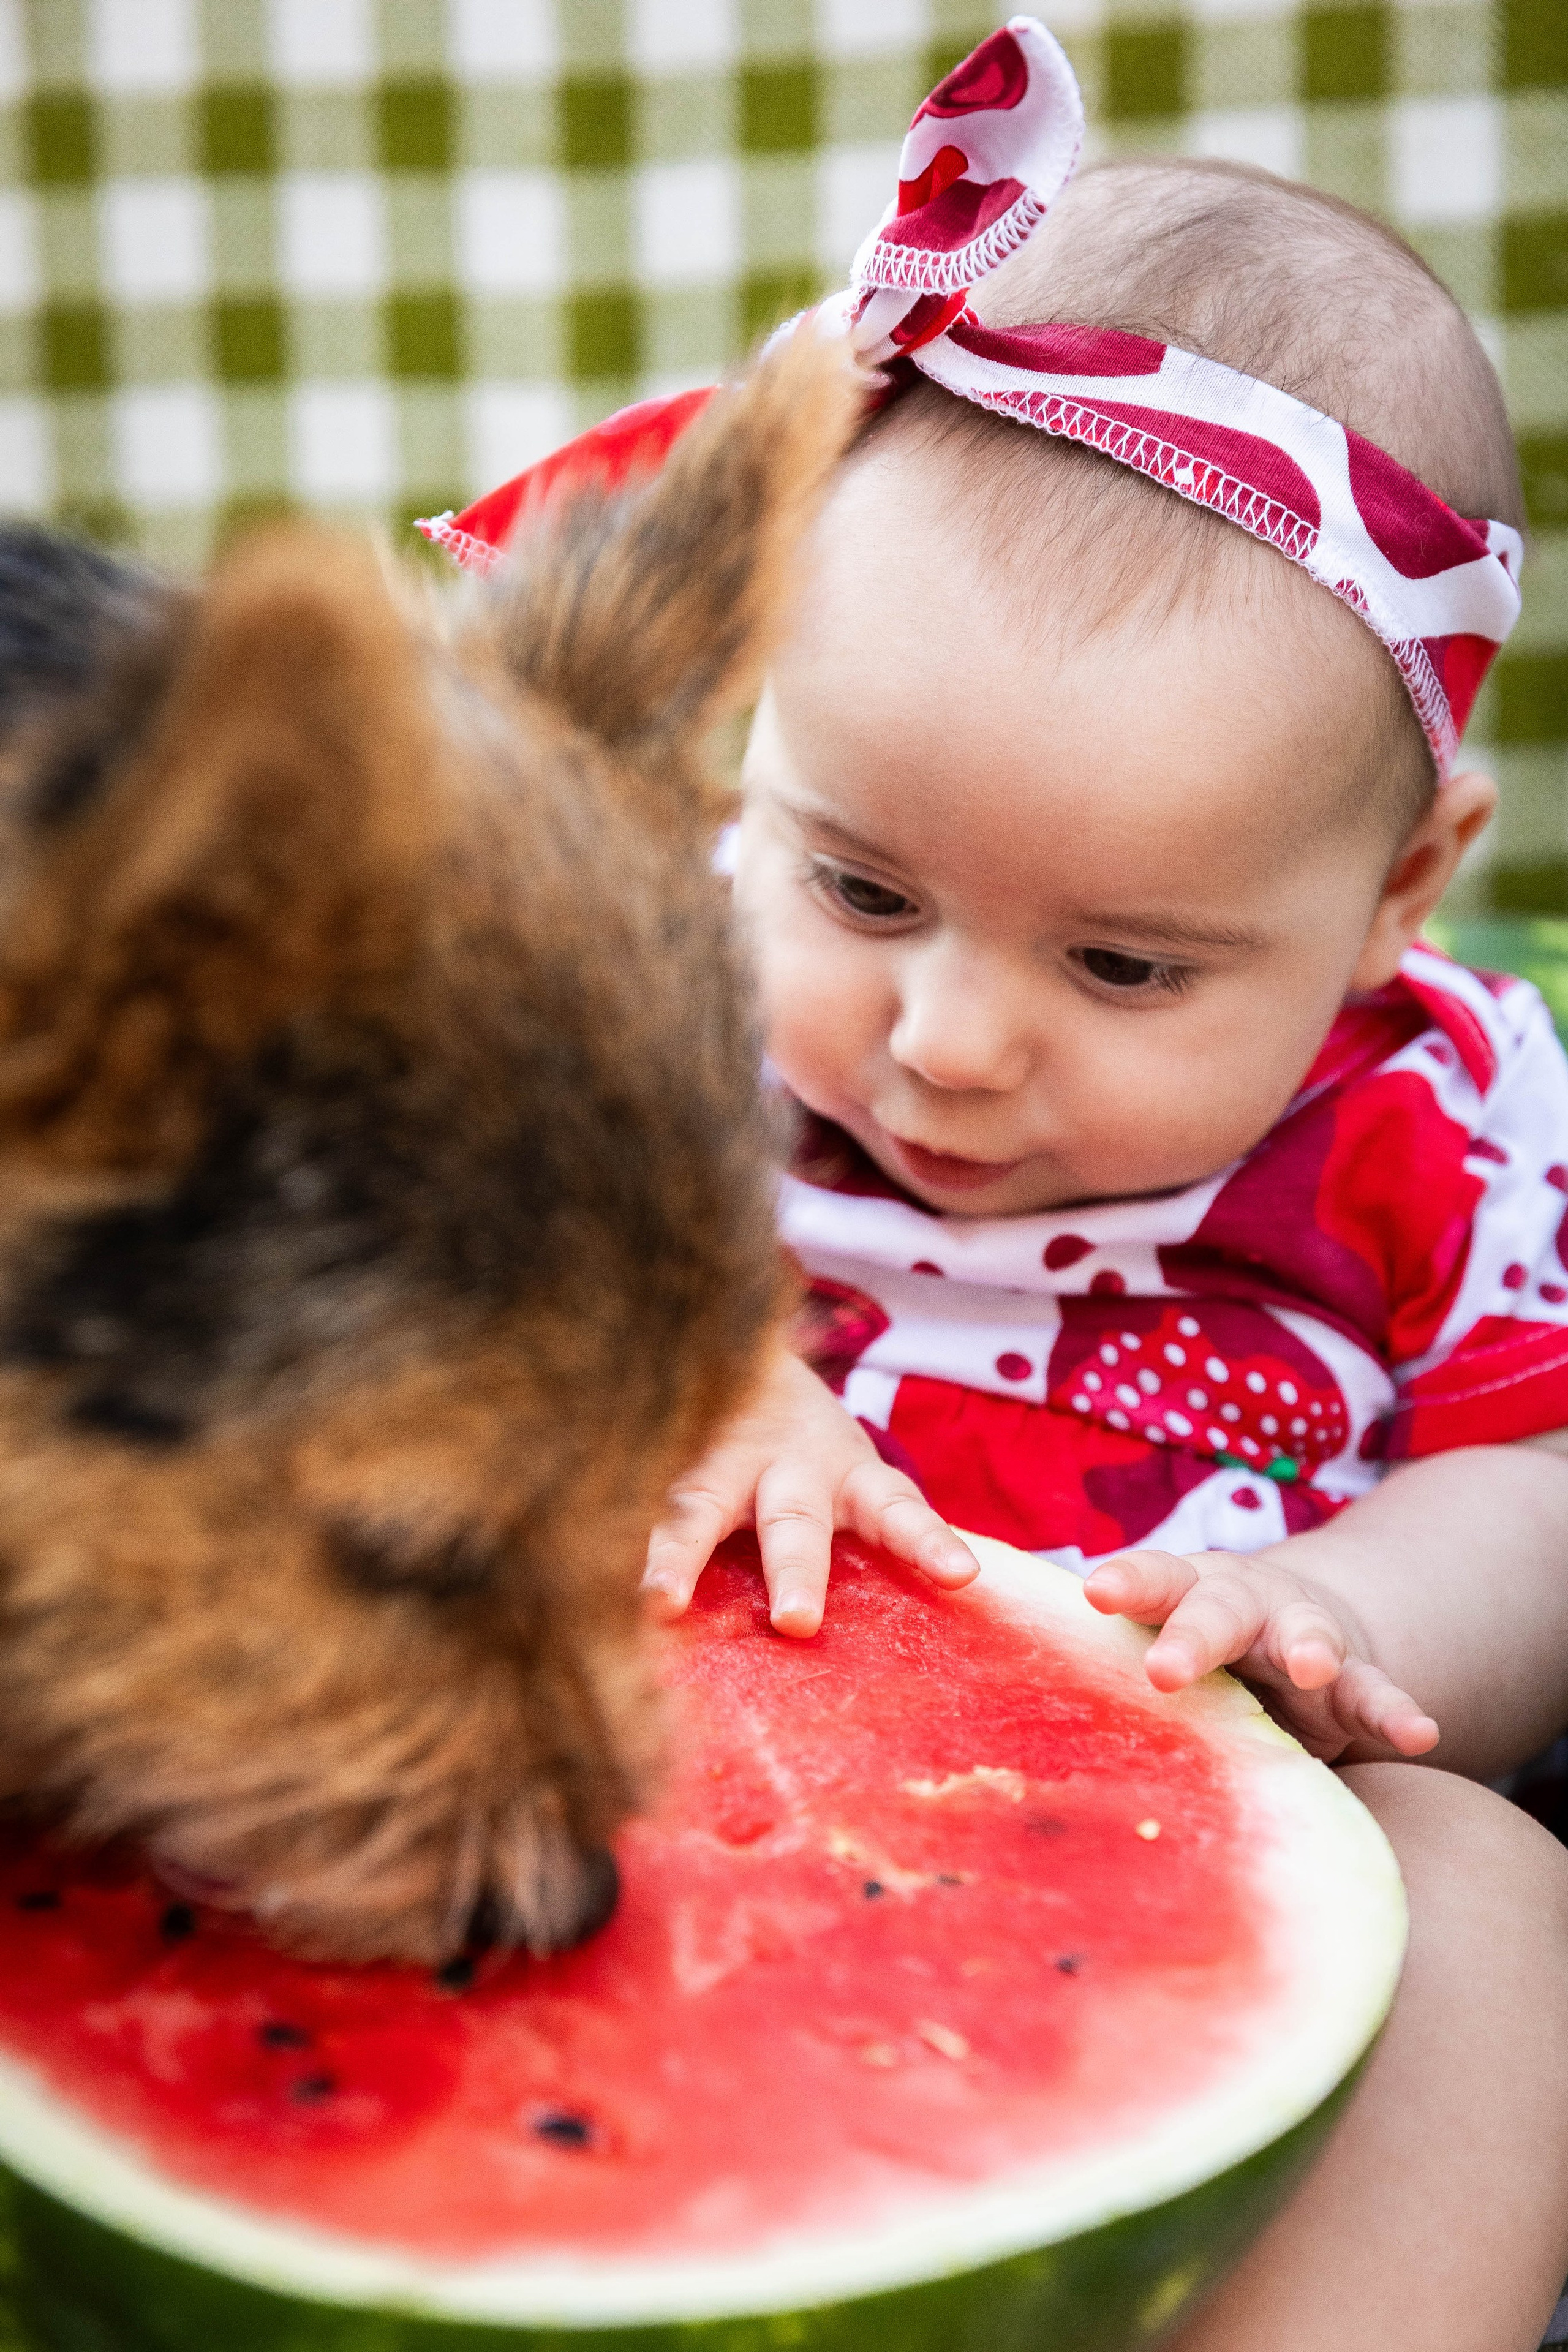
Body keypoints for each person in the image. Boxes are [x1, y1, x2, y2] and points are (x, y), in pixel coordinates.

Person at [428, 24, 1568, 2346]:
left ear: (1398, 891)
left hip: (1199, 1776)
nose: (946, 1040)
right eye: (859, 891)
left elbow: (1539, 1475)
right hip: (669, 1777)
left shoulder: (1438, 1117)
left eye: (1123, 960)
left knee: (1481, 1889)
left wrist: (1343, 1624)